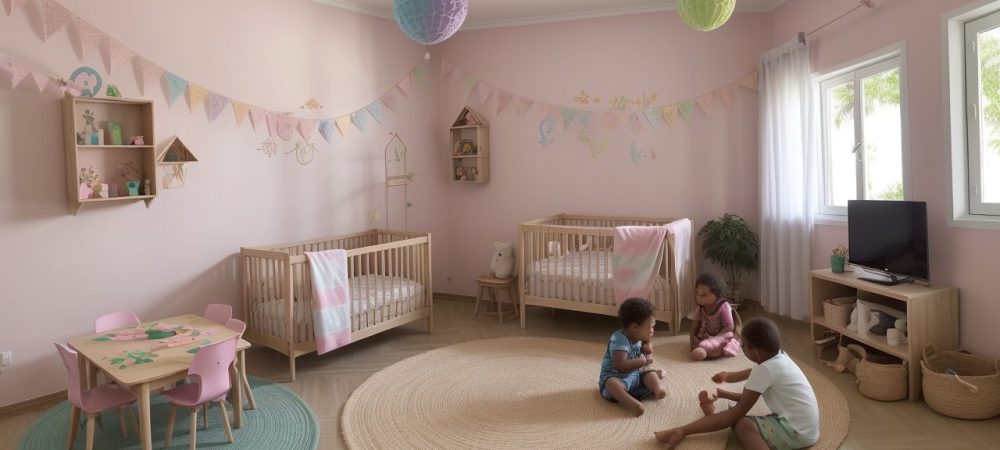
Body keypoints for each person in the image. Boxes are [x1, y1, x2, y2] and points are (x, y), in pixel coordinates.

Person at [655, 318, 820, 449]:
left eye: (743, 346)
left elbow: (736, 414)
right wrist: (725, 386)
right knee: (739, 416)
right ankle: (711, 417)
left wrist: (684, 430)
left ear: (756, 352)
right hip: (806, 428)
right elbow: (749, 383)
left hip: (798, 432)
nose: (741, 348)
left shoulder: (763, 371)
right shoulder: (780, 358)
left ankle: (690, 426)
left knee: (741, 424)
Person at [598, 297, 667, 417]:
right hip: (616, 378)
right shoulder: (619, 339)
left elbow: (648, 351)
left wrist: (648, 352)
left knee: (648, 372)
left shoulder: (639, 336)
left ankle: (657, 389)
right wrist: (642, 361)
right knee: (611, 383)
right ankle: (633, 404)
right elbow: (620, 366)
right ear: (635, 327)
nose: (652, 330)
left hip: (634, 376)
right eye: (650, 327)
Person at [689, 273, 740, 360]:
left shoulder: (724, 306)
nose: (698, 297)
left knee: (728, 339)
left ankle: (710, 349)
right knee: (700, 343)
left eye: (704, 295)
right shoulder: (700, 308)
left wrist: (717, 338)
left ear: (717, 294)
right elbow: (695, 326)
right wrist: (692, 341)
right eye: (697, 293)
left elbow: (729, 326)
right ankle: (706, 349)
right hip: (707, 335)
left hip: (723, 334)